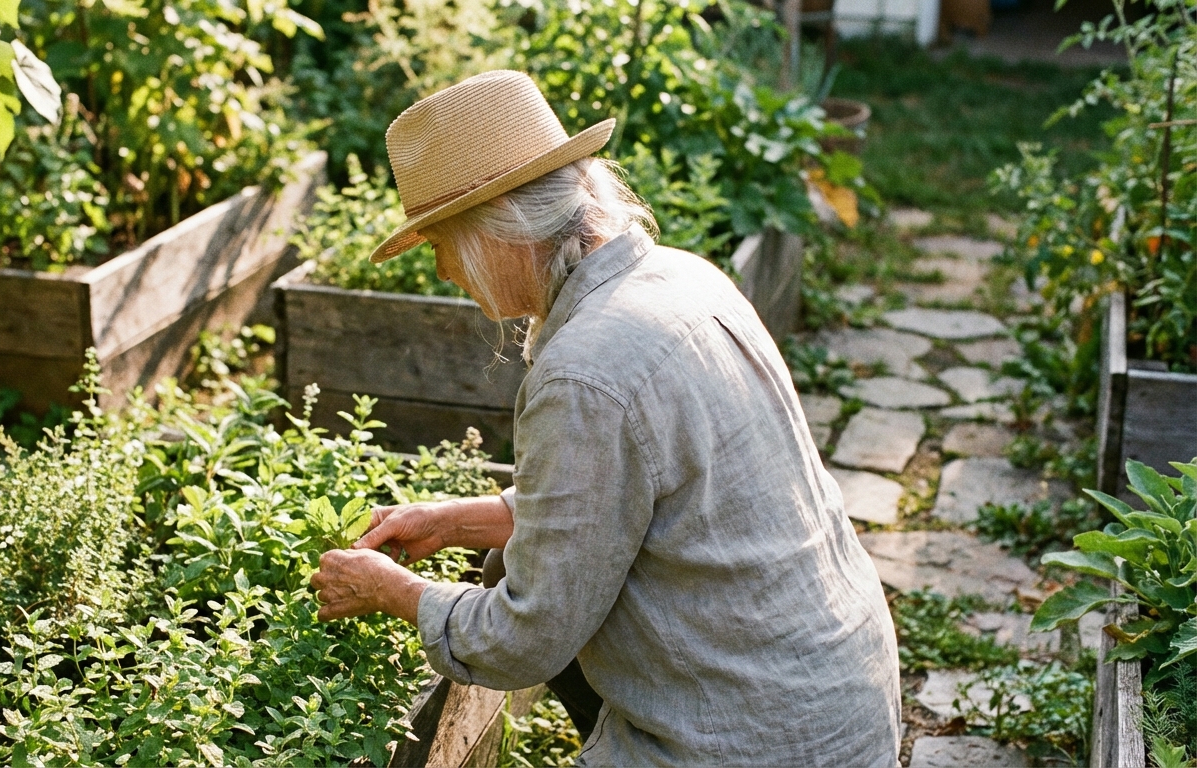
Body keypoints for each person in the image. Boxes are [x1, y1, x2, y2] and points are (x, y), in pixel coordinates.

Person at [310, 70, 901, 766]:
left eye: (441, 241)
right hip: (835, 700)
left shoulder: (583, 372)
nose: (442, 270)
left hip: (755, 743)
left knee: (517, 584)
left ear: (496, 231)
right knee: (504, 561)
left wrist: (396, 593)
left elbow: (524, 639)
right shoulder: (683, 276)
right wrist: (451, 522)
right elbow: (627, 503)